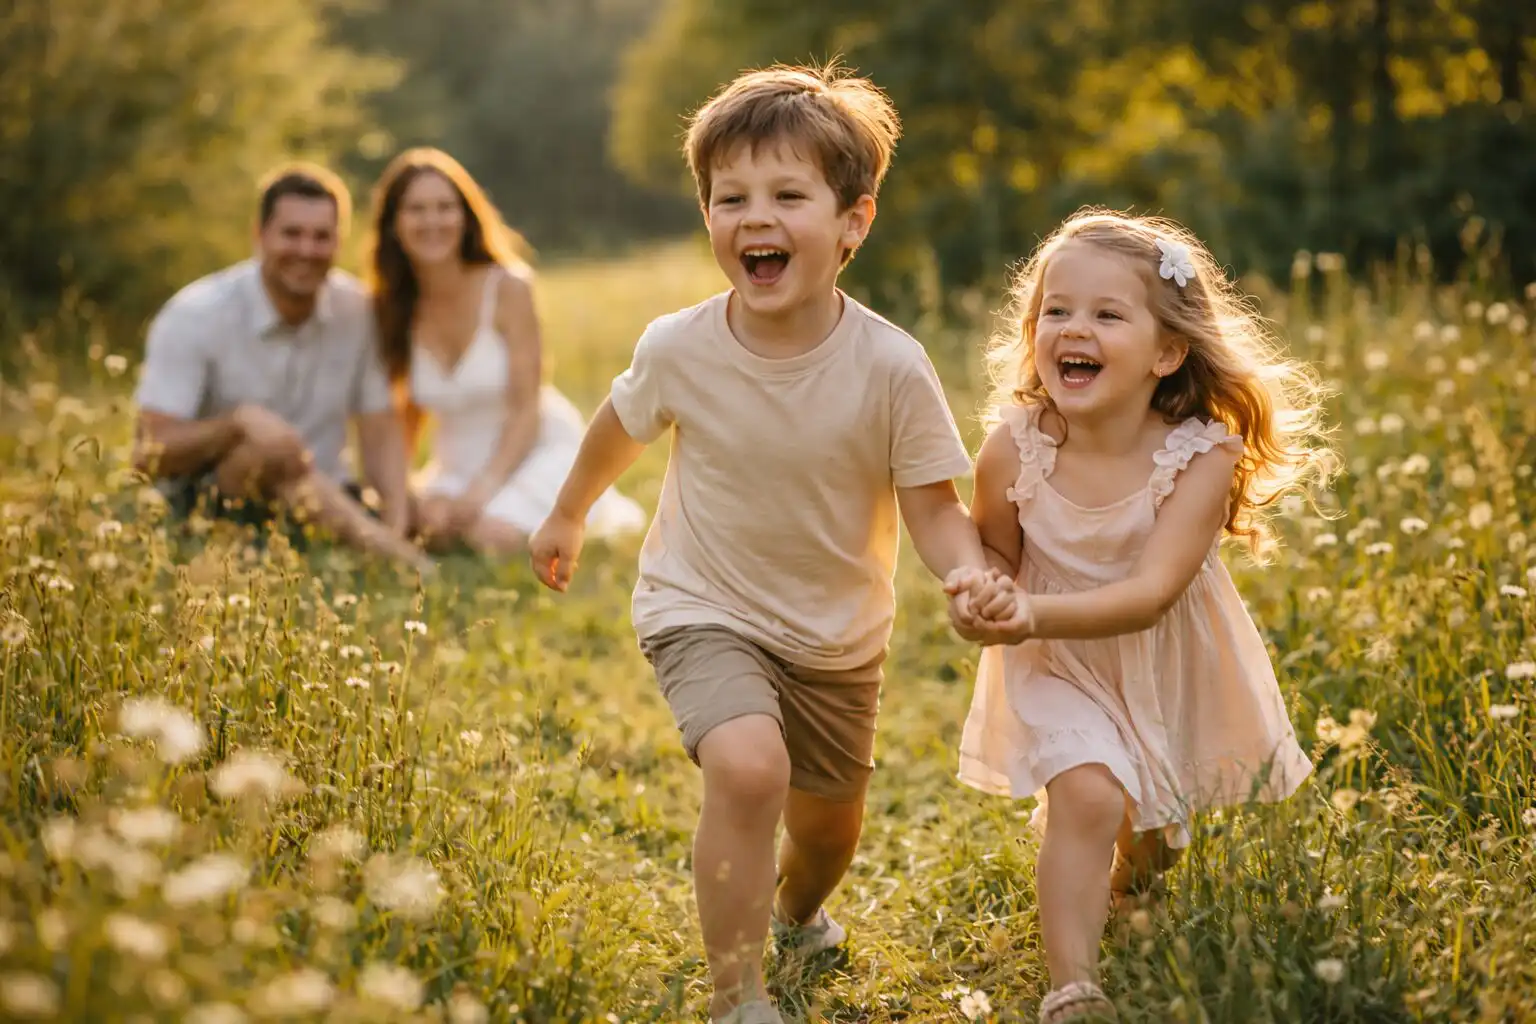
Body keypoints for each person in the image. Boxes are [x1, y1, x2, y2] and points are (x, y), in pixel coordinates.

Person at [528, 63, 1010, 1024]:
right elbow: (619, 427)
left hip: (837, 636)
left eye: (788, 195)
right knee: (750, 769)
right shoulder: (681, 345)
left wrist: (969, 573)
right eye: (729, 197)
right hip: (701, 603)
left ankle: (795, 913)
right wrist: (570, 510)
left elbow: (934, 508)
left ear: (852, 223)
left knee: (828, 833)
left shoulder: (890, 367)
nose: (755, 217)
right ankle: (735, 994)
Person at [947, 209, 1335, 1022]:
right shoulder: (1012, 446)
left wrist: (1028, 612)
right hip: (1054, 664)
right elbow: (994, 555)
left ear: (1167, 352)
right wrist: (983, 592)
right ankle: (1072, 988)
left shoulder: (1202, 456)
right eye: (1056, 310)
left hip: (1156, 659)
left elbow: (1152, 593)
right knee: (1087, 796)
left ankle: (1130, 882)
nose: (1072, 329)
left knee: (1152, 839)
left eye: (1105, 314)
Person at [132, 163, 427, 571]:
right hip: (213, 500)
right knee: (270, 451)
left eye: (321, 237)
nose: (306, 250)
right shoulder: (195, 314)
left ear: (338, 242)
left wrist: (397, 519)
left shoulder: (357, 310)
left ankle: (384, 545)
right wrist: (235, 423)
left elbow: (379, 429)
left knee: (288, 456)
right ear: (260, 234)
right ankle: (401, 562)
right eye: (291, 234)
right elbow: (147, 454)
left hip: (327, 498)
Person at [365, 147, 645, 556]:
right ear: (393, 224)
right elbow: (404, 414)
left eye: (445, 207)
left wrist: (483, 490)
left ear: (465, 216)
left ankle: (577, 509)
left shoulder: (508, 286)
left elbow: (526, 408)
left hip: (535, 449)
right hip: (456, 464)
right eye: (416, 209)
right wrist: (404, 493)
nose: (432, 221)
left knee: (489, 537)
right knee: (430, 528)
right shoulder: (392, 306)